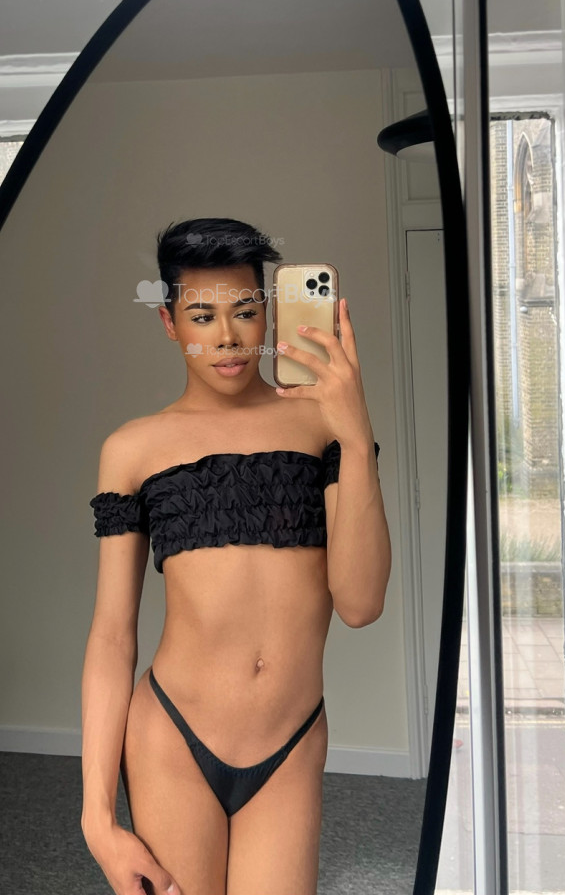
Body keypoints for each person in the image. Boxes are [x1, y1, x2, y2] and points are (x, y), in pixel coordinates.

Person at [80, 217, 391, 895]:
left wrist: (355, 429)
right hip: (172, 738)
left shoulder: (324, 428)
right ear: (168, 322)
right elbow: (112, 636)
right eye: (202, 316)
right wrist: (97, 820)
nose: (227, 336)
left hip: (291, 741)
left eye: (246, 311)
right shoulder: (132, 450)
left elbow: (362, 603)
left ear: (270, 311)